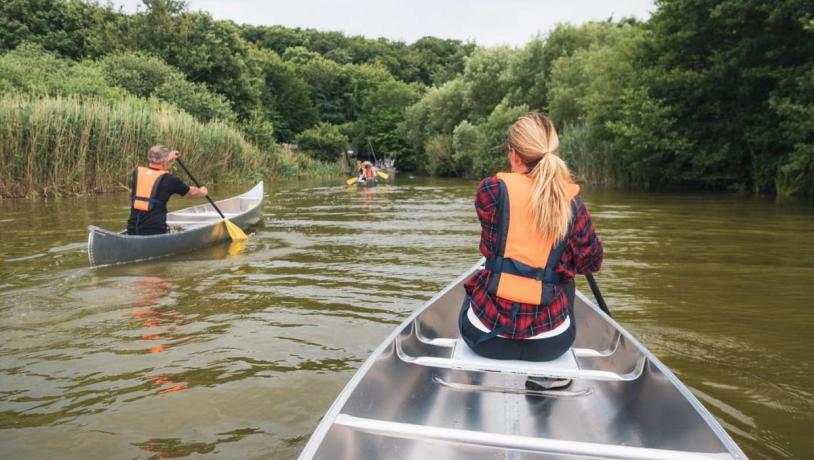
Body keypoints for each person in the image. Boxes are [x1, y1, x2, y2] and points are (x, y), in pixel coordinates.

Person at [459, 113, 603, 390]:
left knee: (480, 278)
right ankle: (547, 378)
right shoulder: (571, 203)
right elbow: (591, 262)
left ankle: (479, 375)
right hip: (550, 345)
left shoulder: (491, 190)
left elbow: (496, 233)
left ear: (513, 156)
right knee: (566, 277)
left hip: (485, 339)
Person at [126, 145, 208, 235]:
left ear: (148, 157)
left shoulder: (137, 173)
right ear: (164, 160)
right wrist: (202, 191)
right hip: (155, 231)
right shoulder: (170, 180)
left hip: (132, 229)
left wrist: (167, 158)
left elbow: (154, 169)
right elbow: (192, 191)